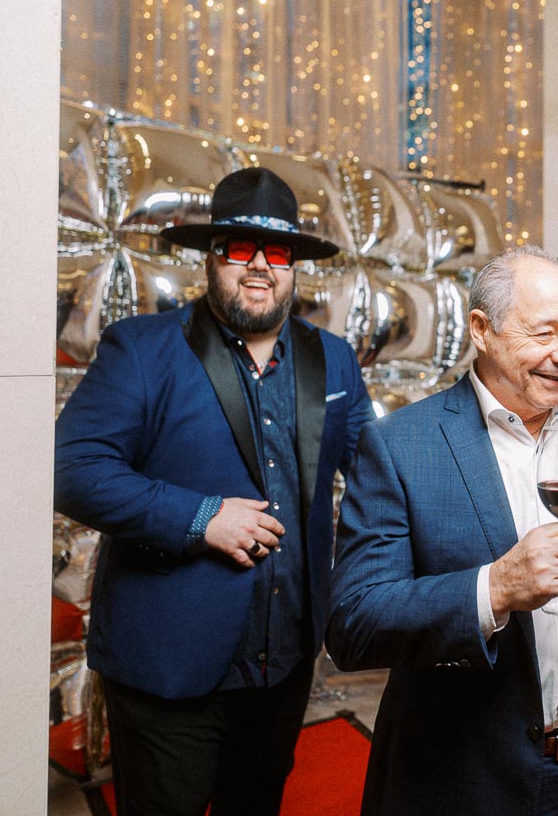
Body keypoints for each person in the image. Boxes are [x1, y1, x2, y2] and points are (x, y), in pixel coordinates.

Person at [54, 166, 372, 815]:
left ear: (293, 267)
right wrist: (200, 518)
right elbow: (70, 466)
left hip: (284, 663)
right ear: (211, 257)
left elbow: (379, 468)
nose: (259, 266)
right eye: (240, 248)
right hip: (166, 665)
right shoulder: (141, 349)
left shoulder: (334, 357)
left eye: (277, 252)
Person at [327, 246, 558, 814]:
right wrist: (494, 588)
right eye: (544, 333)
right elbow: (353, 624)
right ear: (482, 331)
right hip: (469, 776)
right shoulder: (400, 445)